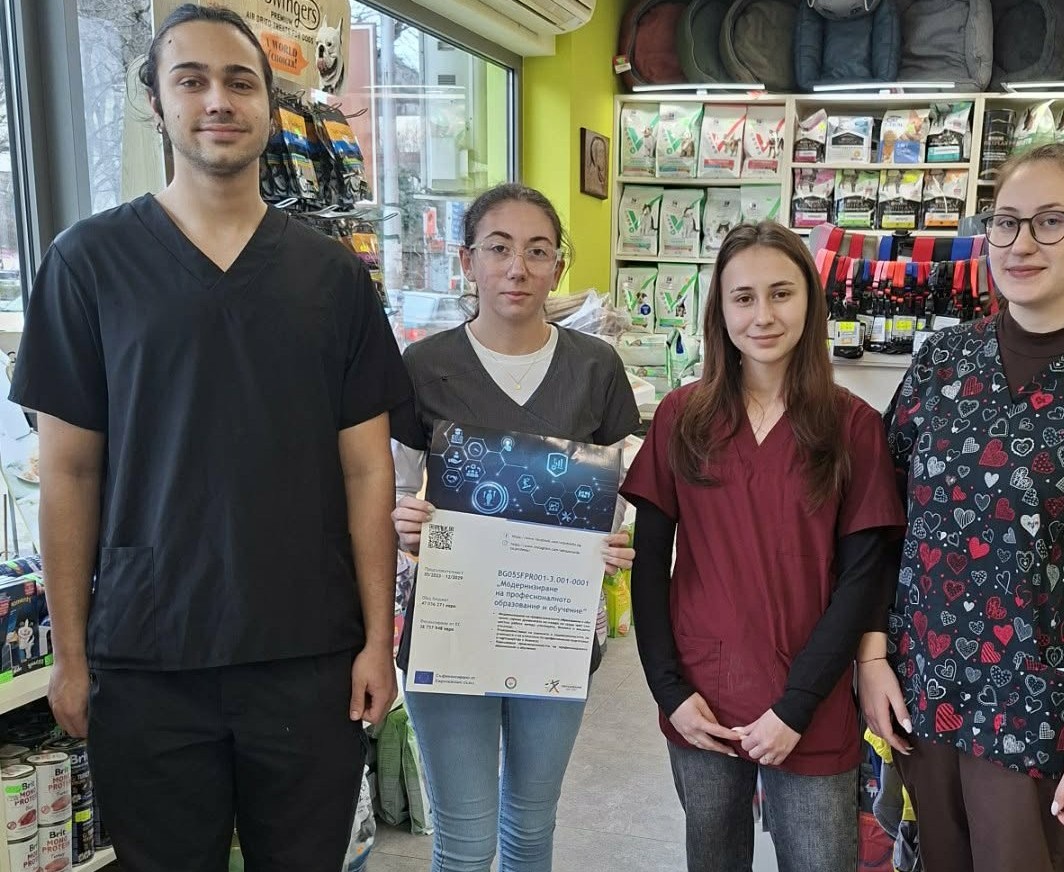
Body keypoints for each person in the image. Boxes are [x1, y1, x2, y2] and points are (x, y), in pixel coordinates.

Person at [9, 4, 411, 869]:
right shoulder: (87, 264)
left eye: (239, 82)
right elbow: (68, 474)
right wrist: (70, 656)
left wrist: (377, 642)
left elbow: (367, 472)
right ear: (158, 103)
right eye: (191, 81)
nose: (218, 100)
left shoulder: (333, 279)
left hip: (308, 654)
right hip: (148, 656)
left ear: (269, 104)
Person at [858, 136, 1064, 872]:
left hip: (1040, 704)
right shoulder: (943, 362)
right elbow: (885, 525)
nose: (1020, 243)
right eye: (1005, 222)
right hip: (926, 689)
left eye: (1050, 221)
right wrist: (872, 655)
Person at [621, 222, 903, 872]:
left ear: (810, 300)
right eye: (743, 298)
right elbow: (649, 564)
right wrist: (668, 691)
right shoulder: (681, 418)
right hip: (702, 697)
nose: (763, 316)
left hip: (812, 700)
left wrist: (796, 707)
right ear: (720, 310)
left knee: (821, 860)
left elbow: (862, 581)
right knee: (713, 858)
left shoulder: (852, 427)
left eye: (781, 293)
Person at [390, 183, 640, 872]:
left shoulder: (595, 368)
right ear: (466, 261)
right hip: (450, 626)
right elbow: (398, 488)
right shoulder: (424, 367)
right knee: (465, 845)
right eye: (498, 249)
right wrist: (403, 524)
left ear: (558, 266)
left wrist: (613, 536)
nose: (517, 268)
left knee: (530, 831)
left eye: (537, 251)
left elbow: (619, 487)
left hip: (552, 629)